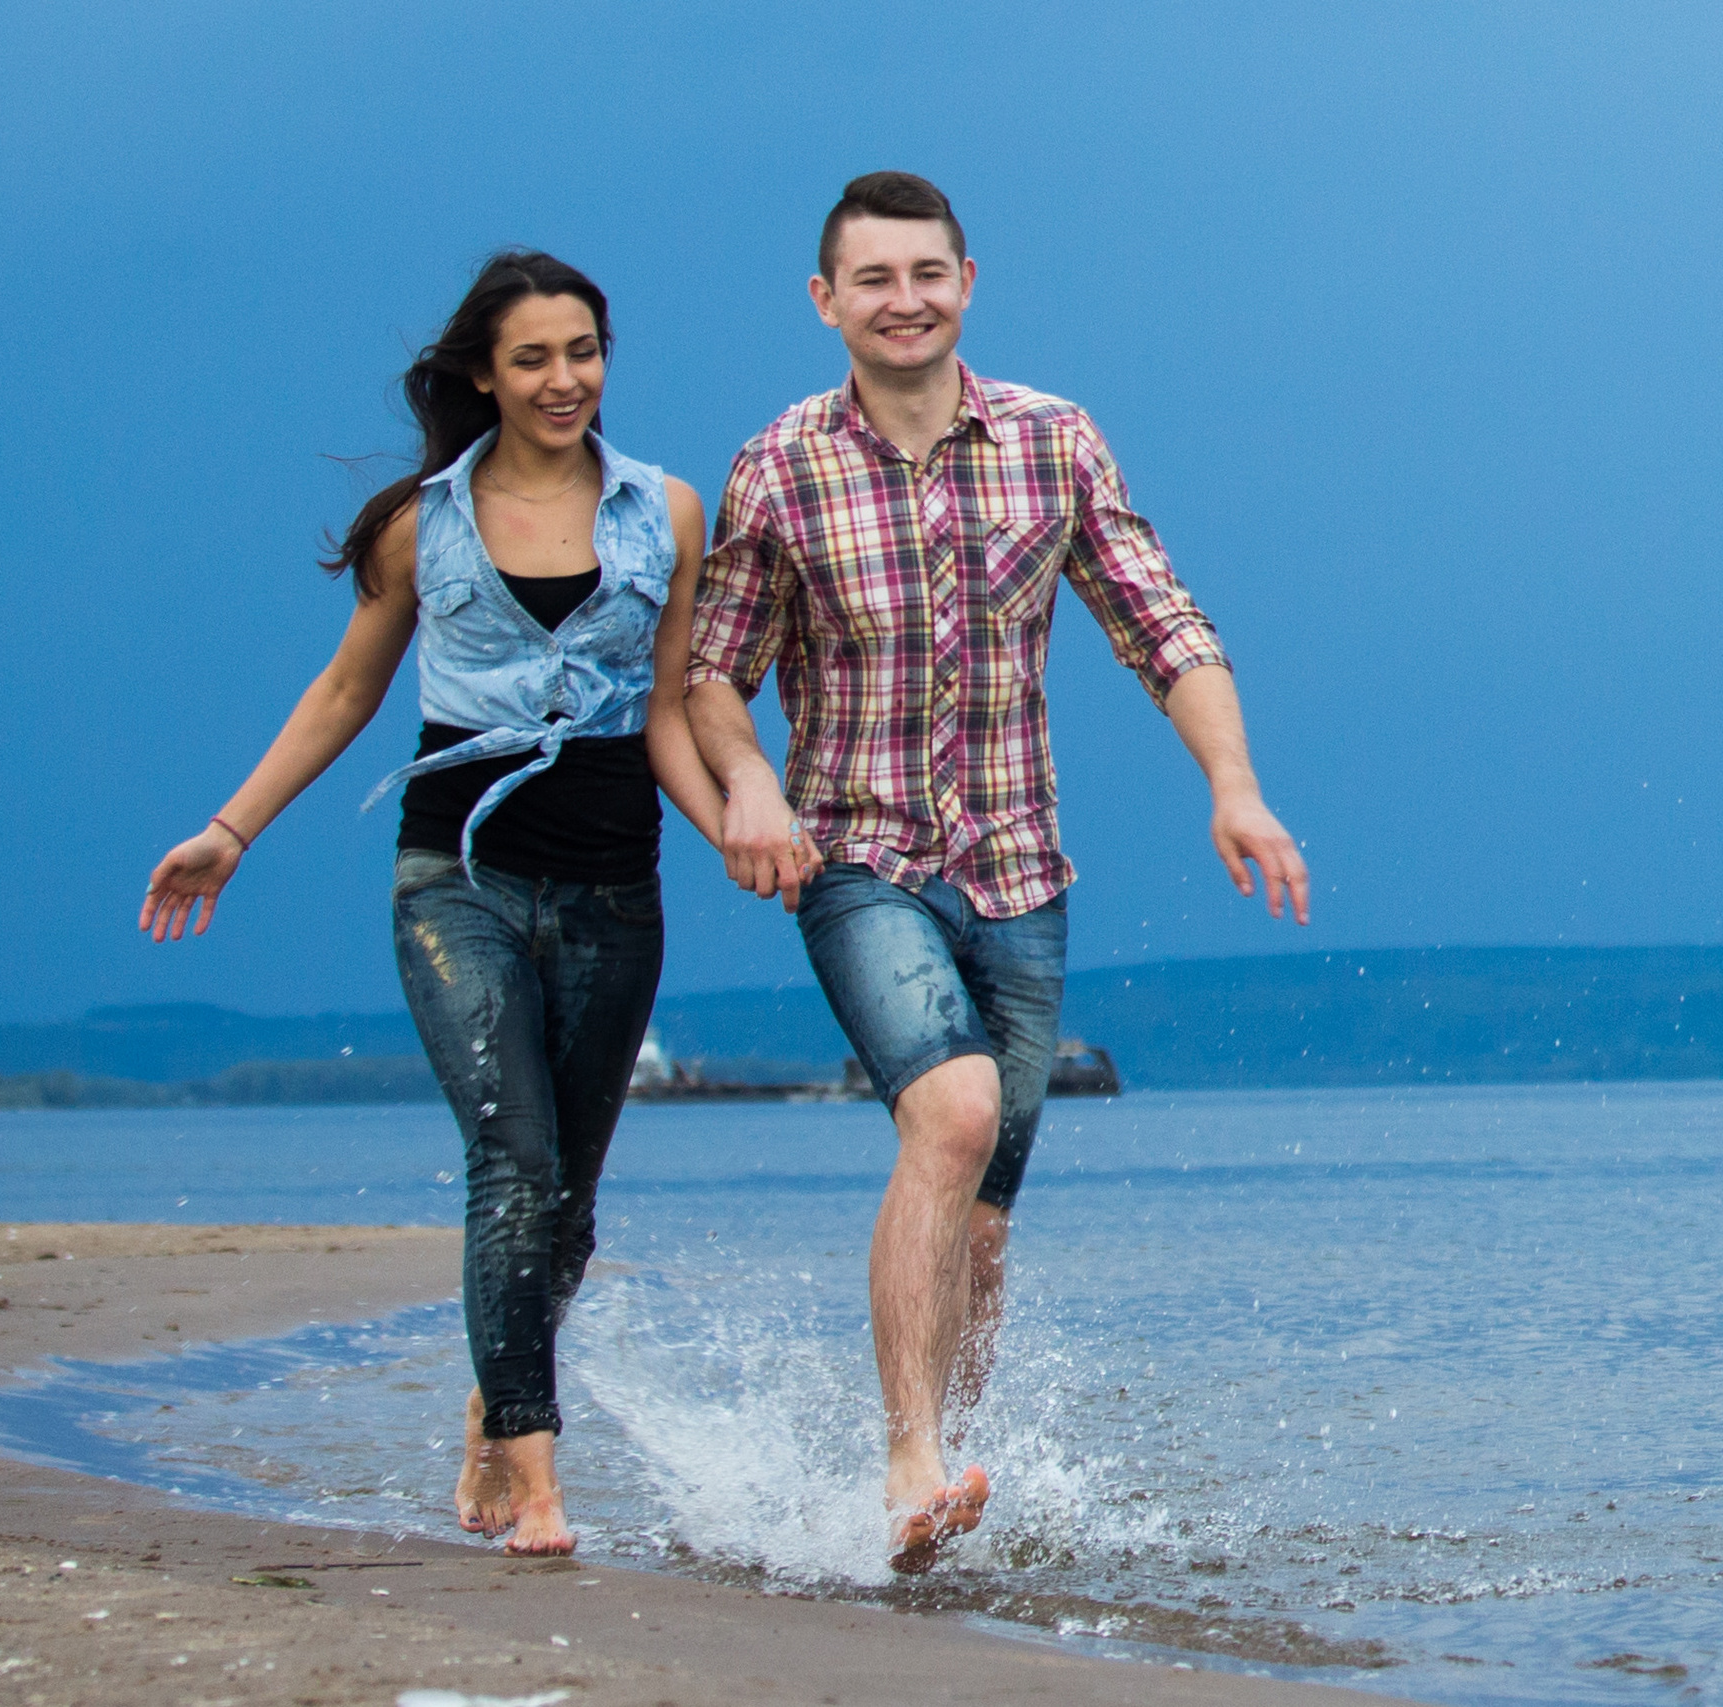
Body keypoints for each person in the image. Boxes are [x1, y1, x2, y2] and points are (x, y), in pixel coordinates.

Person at [685, 173, 1311, 1573]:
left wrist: (1235, 787)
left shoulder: (1053, 440)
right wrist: (748, 785)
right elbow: (714, 672)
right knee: (953, 1113)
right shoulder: (780, 465)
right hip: (857, 855)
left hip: (1022, 871)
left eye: (927, 272)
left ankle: (942, 1498)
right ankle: (907, 1455)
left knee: (982, 1231)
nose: (904, 300)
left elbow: (1162, 622)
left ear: (969, 279)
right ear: (825, 301)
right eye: (873, 278)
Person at [139, 250, 737, 1556]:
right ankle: (539, 1482)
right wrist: (230, 830)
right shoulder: (425, 525)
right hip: (453, 883)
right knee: (513, 1163)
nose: (562, 378)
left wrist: (748, 824)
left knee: (565, 1210)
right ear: (484, 373)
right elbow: (349, 690)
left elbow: (678, 710)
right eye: (532, 357)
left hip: (613, 894)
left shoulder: (668, 512)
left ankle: (491, 1398)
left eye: (582, 351)